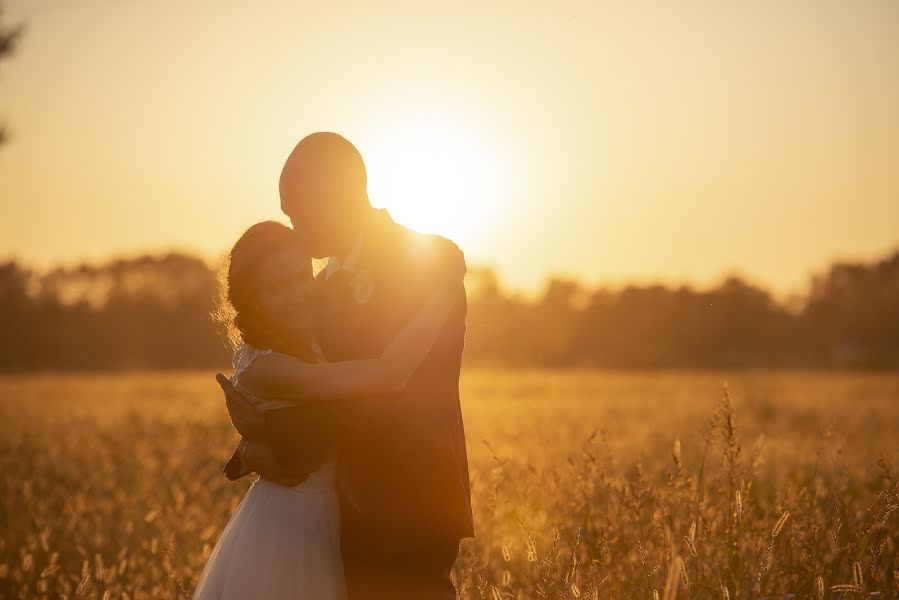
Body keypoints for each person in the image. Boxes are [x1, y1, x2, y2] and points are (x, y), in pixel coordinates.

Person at [222, 132, 473, 599]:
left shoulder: (429, 260)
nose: (292, 226)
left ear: (335, 195)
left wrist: (268, 442)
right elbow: (300, 384)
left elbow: (388, 392)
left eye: (295, 209)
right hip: (334, 515)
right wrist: (253, 443)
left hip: (408, 502)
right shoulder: (317, 285)